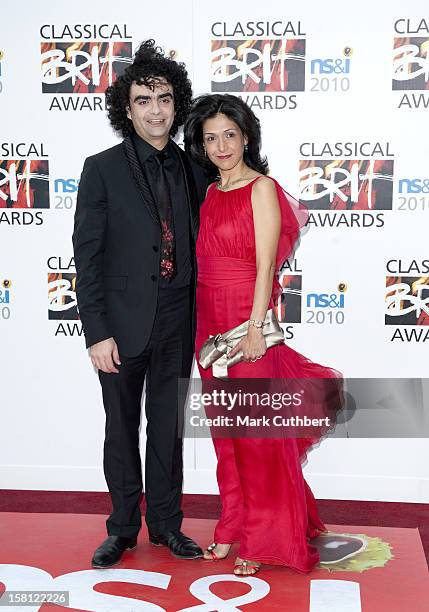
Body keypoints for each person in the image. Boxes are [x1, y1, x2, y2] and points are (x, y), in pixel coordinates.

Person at [184, 94, 342, 576]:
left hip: (245, 322)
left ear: (246, 136)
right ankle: (232, 526)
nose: (220, 145)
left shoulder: (263, 189)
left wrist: (255, 329)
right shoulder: (211, 192)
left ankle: (263, 537)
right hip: (208, 325)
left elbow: (267, 265)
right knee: (226, 436)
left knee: (257, 437)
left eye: (229, 135)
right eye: (210, 138)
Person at [72, 40, 207, 568]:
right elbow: (88, 256)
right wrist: (96, 330)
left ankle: (167, 526)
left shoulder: (194, 167)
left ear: (178, 105)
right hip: (121, 324)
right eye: (144, 100)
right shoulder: (101, 168)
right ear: (126, 109)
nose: (156, 110)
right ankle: (123, 527)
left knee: (168, 429)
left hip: (178, 316)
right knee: (121, 428)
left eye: (165, 99)